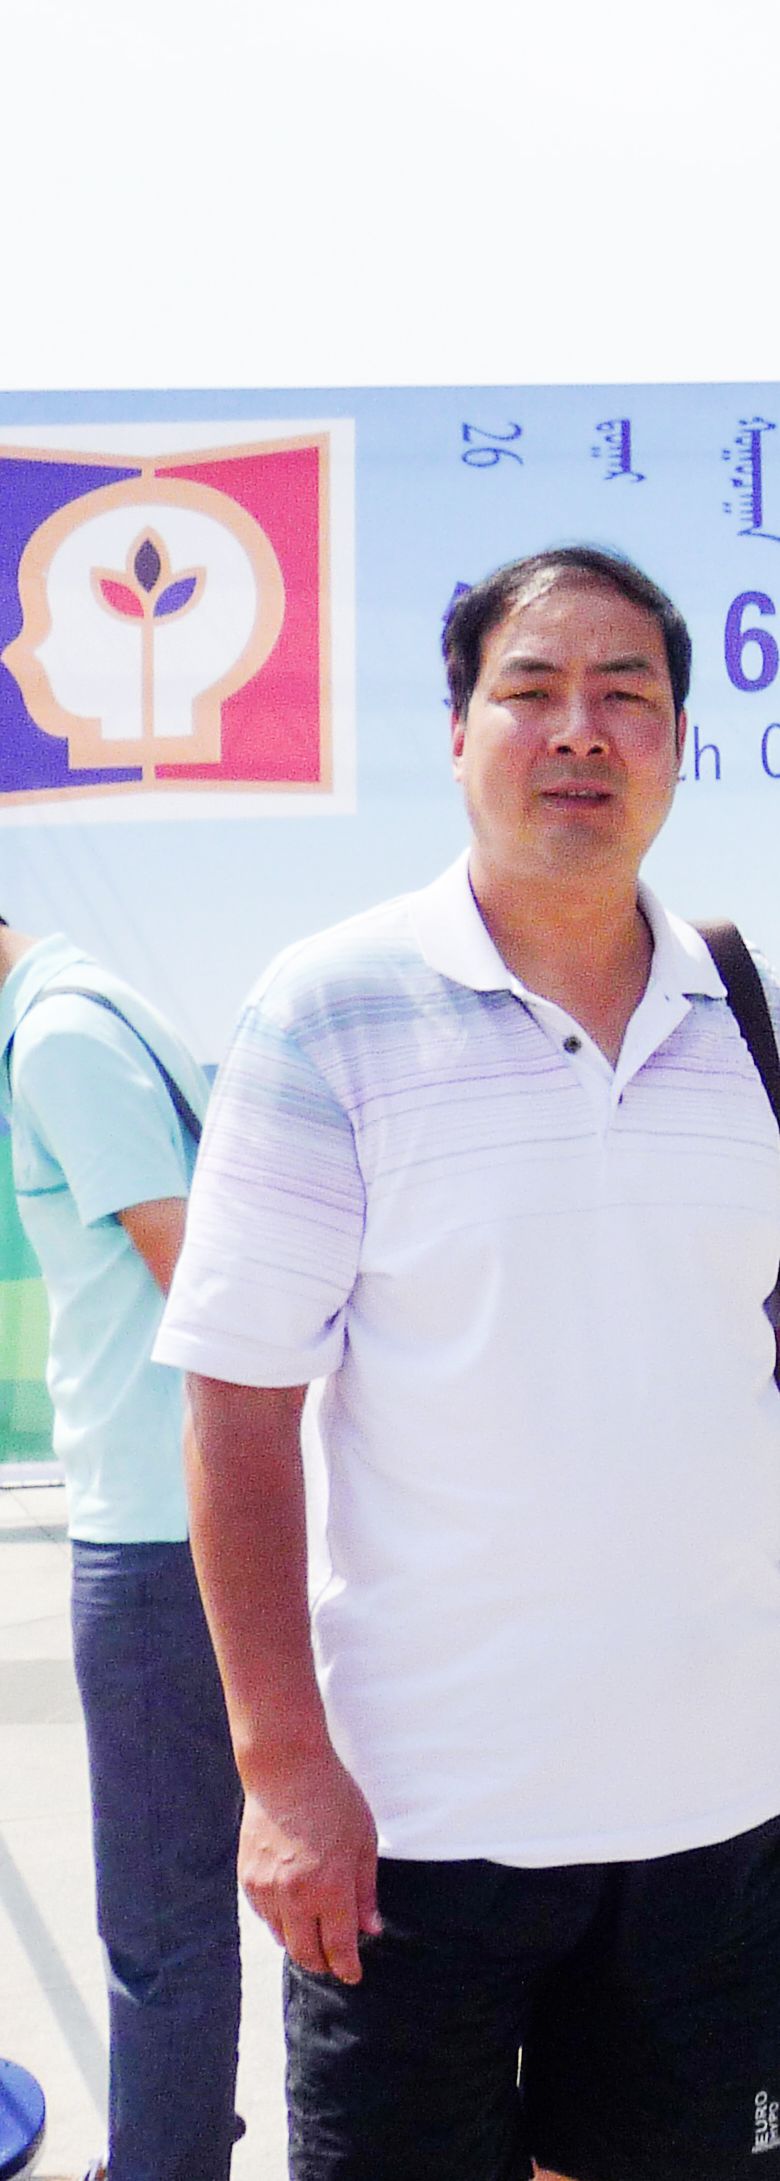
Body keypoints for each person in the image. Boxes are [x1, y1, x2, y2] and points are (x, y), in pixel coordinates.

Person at [159, 547, 780, 2181]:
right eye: (532, 690)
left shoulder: (748, 1012)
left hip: (724, 1814)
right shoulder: (329, 1012)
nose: (580, 729)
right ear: (457, 734)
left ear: (678, 742)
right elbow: (235, 1405)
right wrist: (282, 1768)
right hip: (417, 1828)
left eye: (625, 694)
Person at [0, 921, 242, 2181]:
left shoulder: (61, 1041)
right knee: (179, 1902)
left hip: (155, 1537)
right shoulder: (88, 1007)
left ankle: (164, 2162)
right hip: (174, 1519)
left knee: (159, 1916)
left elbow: (202, 1290)